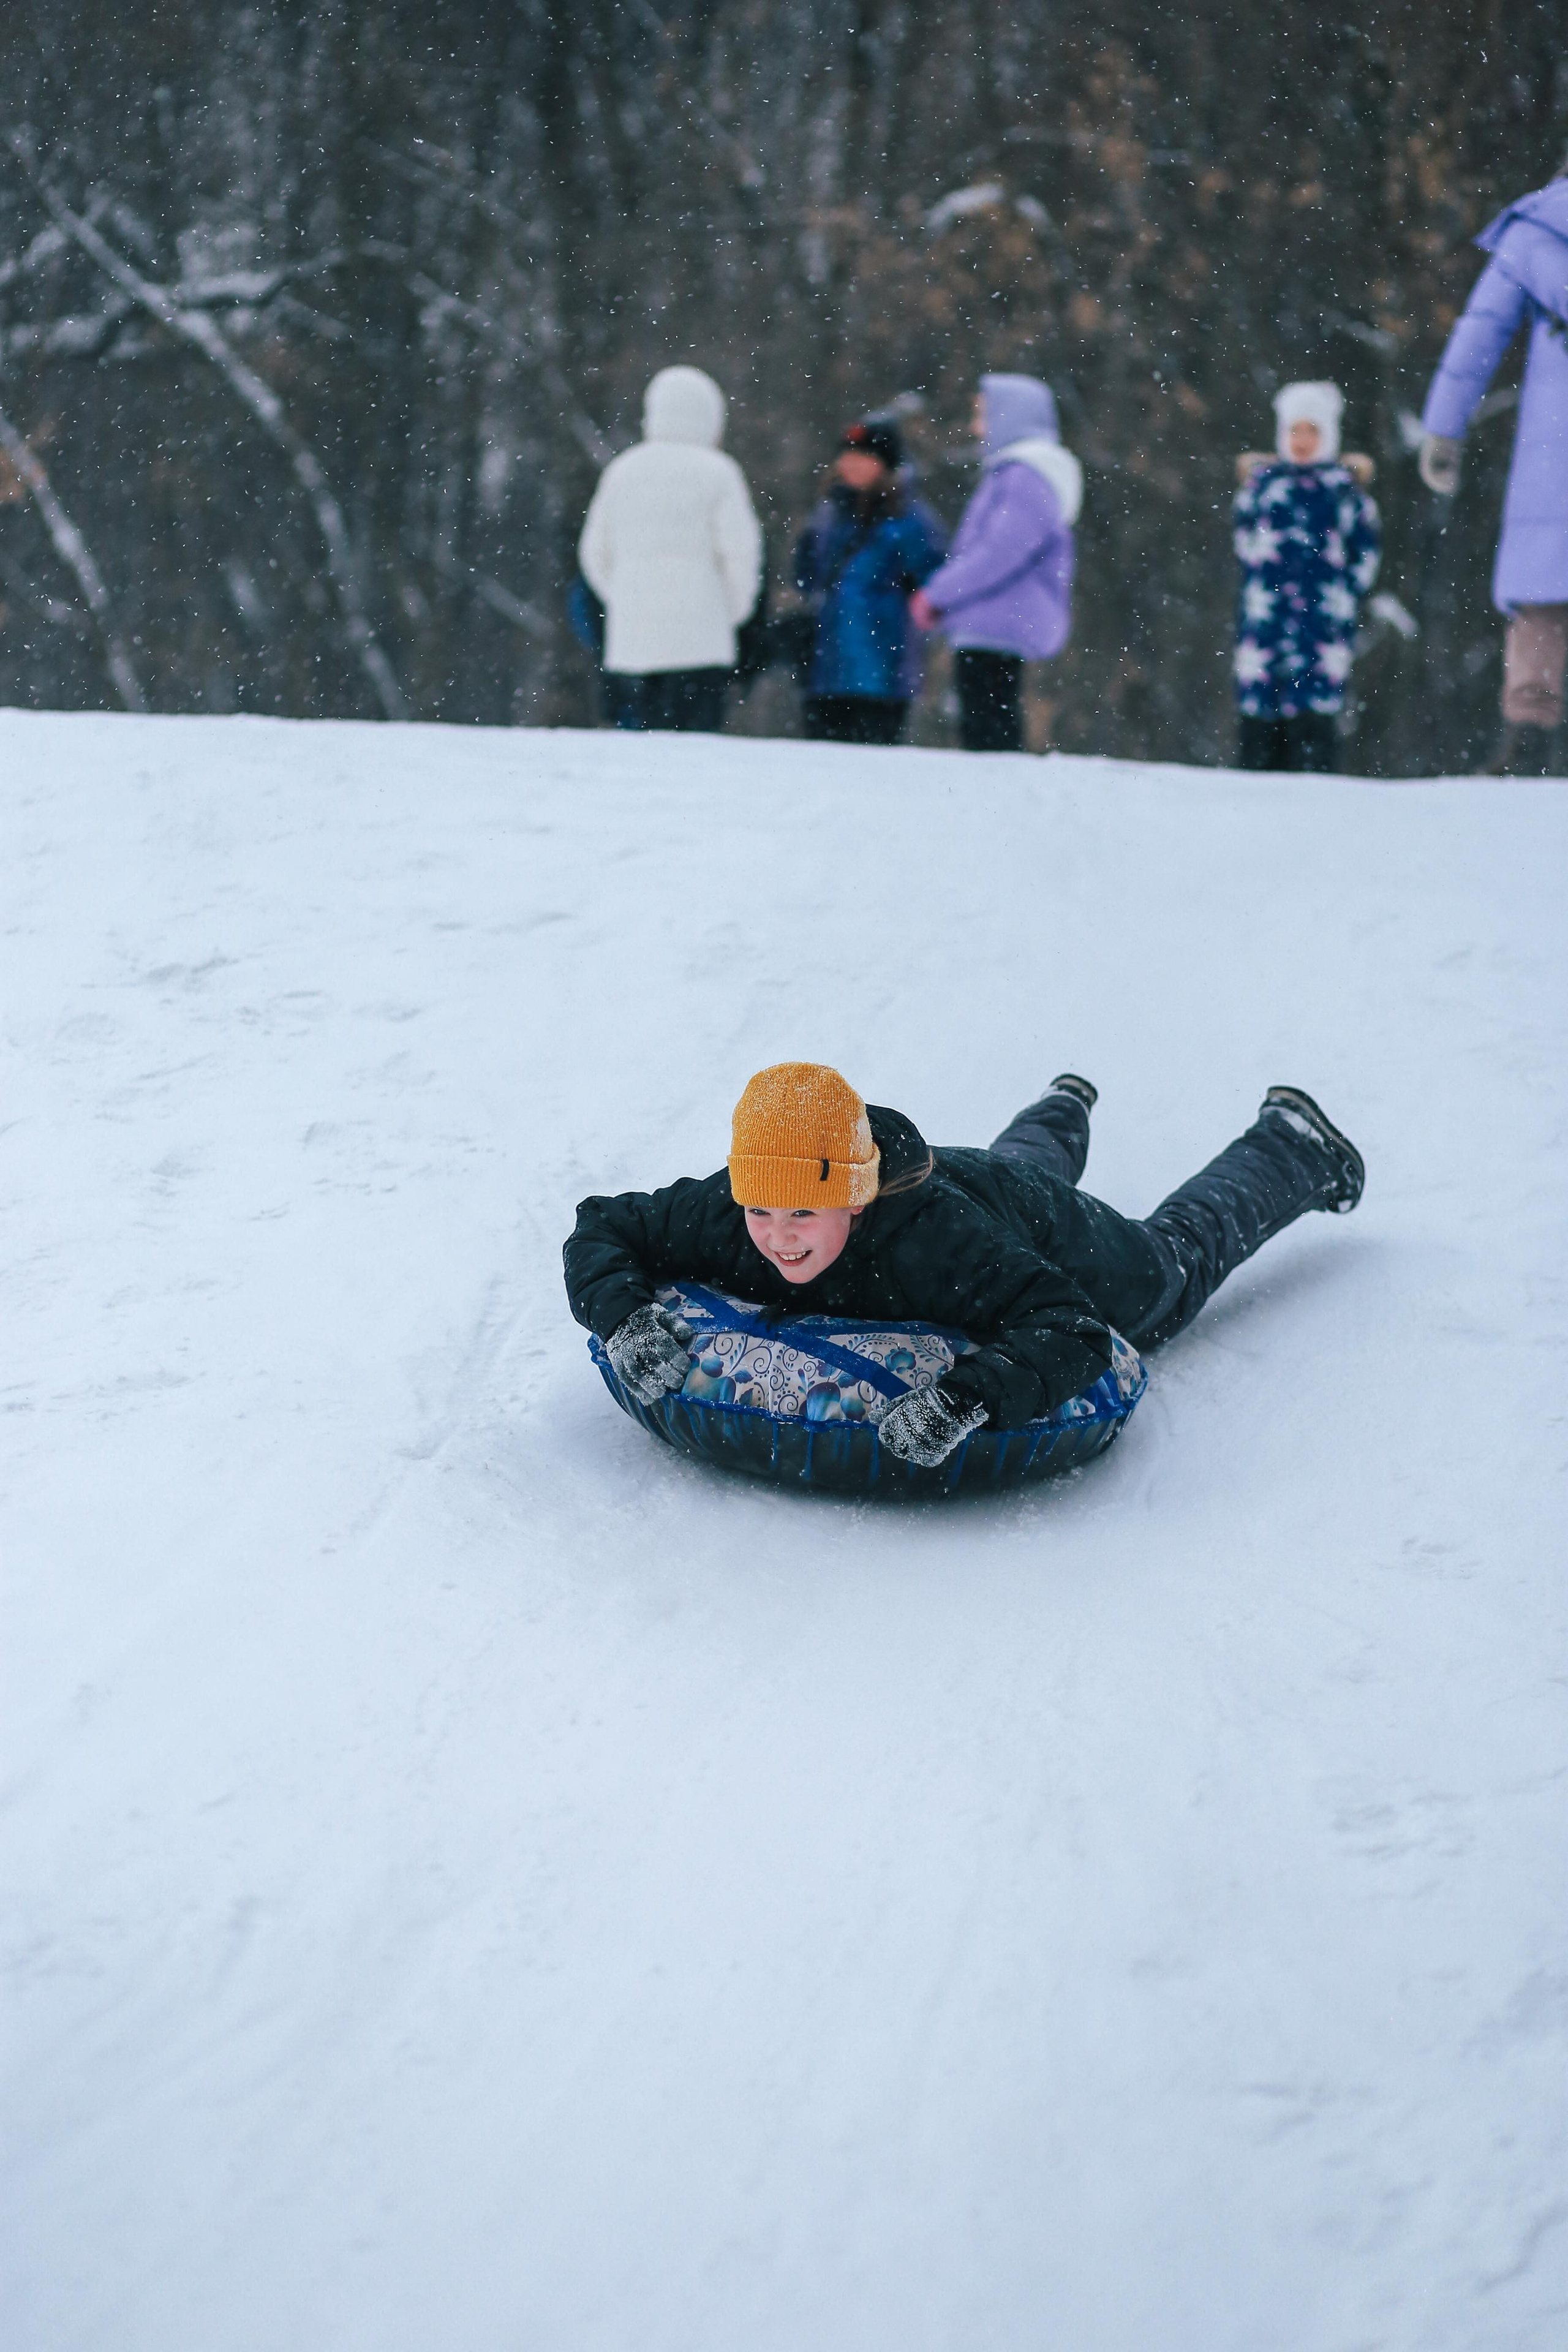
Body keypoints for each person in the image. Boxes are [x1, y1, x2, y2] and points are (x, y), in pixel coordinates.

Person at [564, 1061, 1365, 1471]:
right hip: (981, 1183)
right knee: (1010, 1168)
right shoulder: (728, 1209)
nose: (778, 1238)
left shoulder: (937, 1244)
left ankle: (1291, 1145)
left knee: (1169, 1272)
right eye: (761, 1211)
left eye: (804, 1214)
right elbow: (603, 1224)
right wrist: (623, 1317)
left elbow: (1074, 1330)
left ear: (855, 1199)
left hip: (1036, 1221)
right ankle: (1063, 1104)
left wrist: (968, 1397)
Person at [1419, 158, 1568, 778]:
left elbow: (1477, 338)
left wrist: (1443, 429)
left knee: (1543, 597)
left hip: (1554, 451)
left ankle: (1529, 731)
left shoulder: (1534, 233)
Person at [578, 365, 762, 733]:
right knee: (694, 750)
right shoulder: (719, 472)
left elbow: (594, 553)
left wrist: (625, 598)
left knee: (642, 750)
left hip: (632, 643)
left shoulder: (622, 471)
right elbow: (742, 555)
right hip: (702, 643)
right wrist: (728, 613)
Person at [910, 373, 1080, 753]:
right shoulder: (1018, 474)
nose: (977, 428)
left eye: (983, 415)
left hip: (999, 621)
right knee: (989, 725)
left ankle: (997, 790)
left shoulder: (1026, 476)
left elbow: (1000, 552)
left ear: (1011, 415)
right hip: (999, 619)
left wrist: (937, 594)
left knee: (988, 732)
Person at [1231, 383, 1381, 774]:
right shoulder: (1263, 487)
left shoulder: (1344, 491)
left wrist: (1343, 591)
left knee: (1314, 707)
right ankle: (1255, 778)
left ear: (1328, 436)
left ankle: (1315, 780)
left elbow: (1365, 551)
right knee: (1262, 705)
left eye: (1312, 431)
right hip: (1267, 618)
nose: (1302, 441)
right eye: (1295, 430)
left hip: (1321, 622)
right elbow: (1244, 540)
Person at [792, 420, 947, 745]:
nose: (851, 464)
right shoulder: (829, 511)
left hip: (883, 671)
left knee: (872, 760)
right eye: (847, 455)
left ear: (885, 465)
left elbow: (933, 583)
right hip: (825, 669)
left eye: (863, 456)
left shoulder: (909, 518)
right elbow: (806, 579)